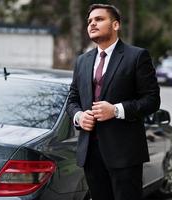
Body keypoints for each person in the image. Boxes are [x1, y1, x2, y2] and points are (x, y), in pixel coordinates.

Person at [66, 4, 160, 200]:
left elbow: (152, 100)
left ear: (115, 24)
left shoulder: (137, 56)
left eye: (99, 19)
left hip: (125, 153)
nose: (92, 24)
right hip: (90, 152)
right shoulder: (82, 61)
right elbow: (72, 99)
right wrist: (79, 116)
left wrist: (116, 110)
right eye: (90, 21)